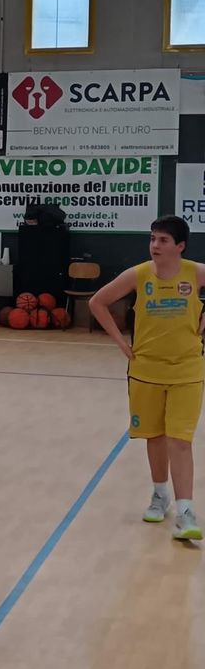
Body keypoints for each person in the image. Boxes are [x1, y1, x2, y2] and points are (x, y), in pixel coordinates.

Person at [90, 215, 204, 541]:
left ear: (180, 246)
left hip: (187, 370)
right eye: (153, 238)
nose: (155, 245)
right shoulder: (138, 275)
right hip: (146, 372)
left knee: (180, 440)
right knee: (155, 437)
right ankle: (160, 494)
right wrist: (120, 341)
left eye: (163, 240)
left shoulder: (195, 272)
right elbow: (98, 302)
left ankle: (185, 511)